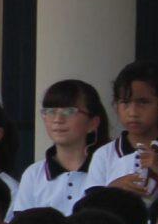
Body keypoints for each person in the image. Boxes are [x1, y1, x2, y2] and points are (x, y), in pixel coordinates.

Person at [10, 80, 106, 215]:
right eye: (50, 111)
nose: (58, 119)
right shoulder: (34, 174)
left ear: (93, 123)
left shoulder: (106, 169)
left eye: (69, 111)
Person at [90, 62, 158, 196]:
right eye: (125, 102)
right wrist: (113, 188)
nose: (133, 112)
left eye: (142, 102)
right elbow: (89, 206)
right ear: (116, 106)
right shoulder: (104, 155)